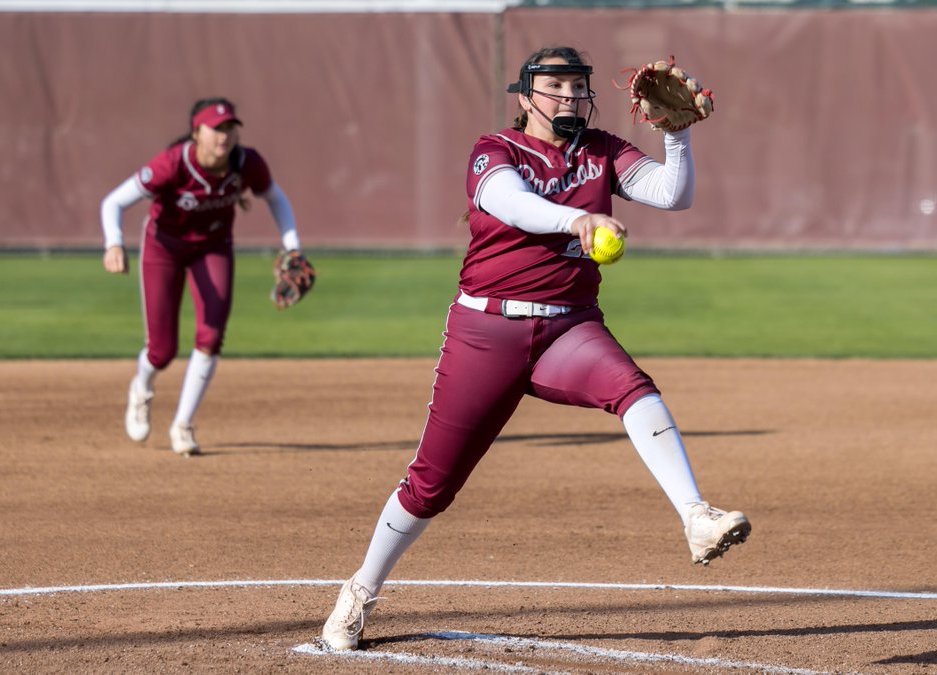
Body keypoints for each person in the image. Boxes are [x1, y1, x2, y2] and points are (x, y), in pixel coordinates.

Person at [320, 46, 750, 650]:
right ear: (525, 98)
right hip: (485, 332)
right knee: (432, 485)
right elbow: (507, 201)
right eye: (555, 87)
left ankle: (696, 515)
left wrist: (677, 138)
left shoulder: (601, 148)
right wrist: (572, 220)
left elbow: (670, 194)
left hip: (570, 327)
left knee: (634, 390)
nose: (570, 97)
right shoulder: (495, 149)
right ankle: (360, 591)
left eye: (577, 87)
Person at [100, 97, 305, 456]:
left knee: (211, 336)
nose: (224, 136)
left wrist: (293, 247)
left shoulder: (246, 163)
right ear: (197, 132)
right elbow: (113, 202)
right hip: (163, 248)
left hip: (212, 247)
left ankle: (183, 425)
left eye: (230, 128)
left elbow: (276, 198)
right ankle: (142, 390)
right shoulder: (172, 164)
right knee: (162, 351)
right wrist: (114, 244)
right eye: (216, 128)